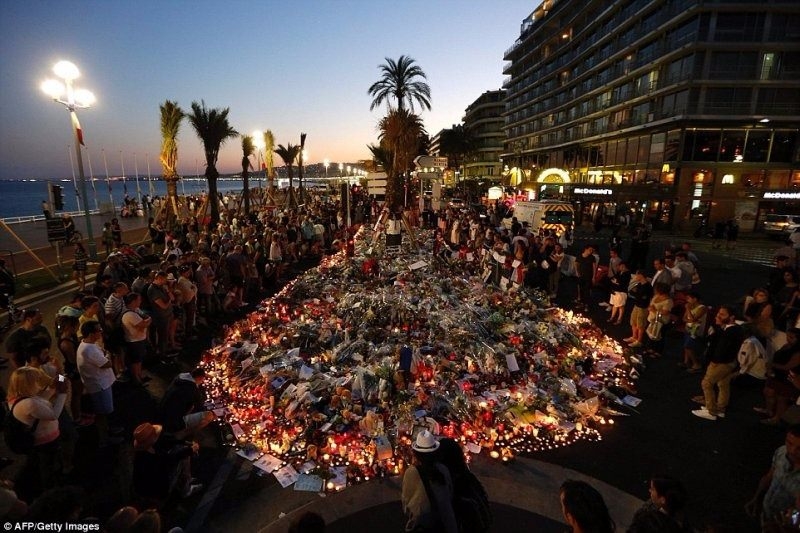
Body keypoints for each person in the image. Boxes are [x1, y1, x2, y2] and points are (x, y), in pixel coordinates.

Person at [6, 366, 68, 498]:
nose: (40, 383)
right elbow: (53, 414)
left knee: (35, 462)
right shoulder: (29, 404)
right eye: (37, 380)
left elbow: (43, 398)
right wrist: (62, 393)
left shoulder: (19, 398)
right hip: (45, 441)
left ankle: (14, 482)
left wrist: (60, 380)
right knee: (48, 468)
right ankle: (51, 494)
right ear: (27, 384)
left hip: (38, 440)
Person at [692, 305, 745, 421]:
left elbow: (721, 349)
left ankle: (711, 411)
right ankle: (720, 409)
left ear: (731, 317)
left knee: (707, 383)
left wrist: (714, 361)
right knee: (723, 383)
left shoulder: (730, 332)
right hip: (728, 362)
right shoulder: (729, 329)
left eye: (722, 315)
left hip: (722, 363)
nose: (718, 316)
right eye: (718, 314)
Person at [132, 422, 203, 507]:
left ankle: (185, 480)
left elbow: (168, 442)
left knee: (181, 449)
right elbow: (170, 459)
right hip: (157, 490)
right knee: (184, 457)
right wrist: (191, 450)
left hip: (146, 487)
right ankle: (186, 489)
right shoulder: (150, 457)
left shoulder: (146, 449)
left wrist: (184, 442)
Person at [401, 430, 458, 533]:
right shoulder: (443, 469)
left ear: (415, 453)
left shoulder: (412, 472)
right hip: (446, 523)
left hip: (424, 524)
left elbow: (406, 502)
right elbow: (450, 493)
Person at [745, 425, 800, 529]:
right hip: (766, 512)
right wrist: (756, 498)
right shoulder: (781, 452)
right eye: (789, 443)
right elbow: (769, 476)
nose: (792, 451)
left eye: (799, 448)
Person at [76, 321, 117, 446]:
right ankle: (104, 439)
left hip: (101, 383)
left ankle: (109, 432)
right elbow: (107, 363)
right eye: (98, 330)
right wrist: (109, 356)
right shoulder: (89, 350)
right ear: (91, 333)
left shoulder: (88, 345)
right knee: (103, 413)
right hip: (99, 385)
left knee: (105, 412)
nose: (101, 331)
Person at [159, 368, 214, 439]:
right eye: (203, 379)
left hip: (163, 409)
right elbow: (200, 408)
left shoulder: (180, 377)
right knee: (209, 415)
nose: (202, 382)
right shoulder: (193, 390)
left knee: (189, 406)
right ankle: (179, 435)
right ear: (200, 378)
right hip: (172, 421)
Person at [628, 476, 692, 533]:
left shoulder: (645, 520)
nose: (649, 490)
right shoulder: (683, 523)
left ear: (662, 500)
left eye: (652, 489)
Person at [121, 293, 152, 386]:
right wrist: (149, 319)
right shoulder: (130, 314)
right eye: (139, 300)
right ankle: (137, 380)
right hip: (134, 342)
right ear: (133, 301)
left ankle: (139, 376)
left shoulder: (134, 311)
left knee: (139, 360)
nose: (140, 301)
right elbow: (143, 324)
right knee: (135, 361)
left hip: (138, 340)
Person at [625, 270, 653, 349]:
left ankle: (639, 341)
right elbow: (635, 293)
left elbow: (642, 297)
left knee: (640, 325)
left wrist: (636, 294)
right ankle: (634, 337)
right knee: (633, 321)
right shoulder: (639, 284)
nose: (636, 277)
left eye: (637, 275)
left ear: (641, 275)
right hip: (636, 305)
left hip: (643, 307)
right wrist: (636, 294)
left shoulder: (648, 286)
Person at [681, 292, 708, 373]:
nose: (687, 300)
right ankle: (686, 362)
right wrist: (690, 319)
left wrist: (688, 310)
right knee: (686, 345)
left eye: (689, 298)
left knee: (688, 346)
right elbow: (684, 318)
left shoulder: (702, 308)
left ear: (695, 299)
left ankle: (696, 364)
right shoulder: (689, 306)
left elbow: (694, 319)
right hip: (688, 328)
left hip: (696, 330)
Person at [608, 261, 631, 325]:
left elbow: (623, 283)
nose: (620, 267)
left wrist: (617, 281)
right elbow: (614, 279)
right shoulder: (619, 272)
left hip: (621, 292)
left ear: (624, 267)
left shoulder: (627, 274)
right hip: (615, 291)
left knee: (621, 306)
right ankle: (612, 317)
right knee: (615, 305)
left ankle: (619, 319)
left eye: (621, 266)